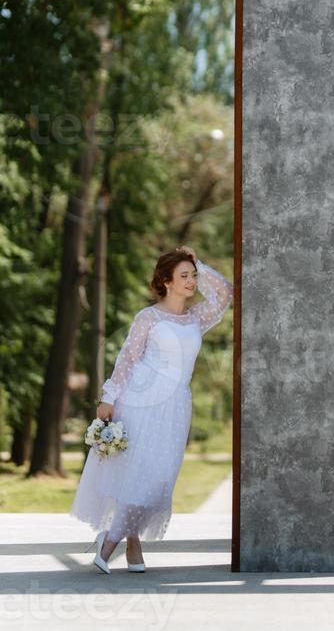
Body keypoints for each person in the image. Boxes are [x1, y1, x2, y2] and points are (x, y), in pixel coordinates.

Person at [70, 244, 233, 574]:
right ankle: (118, 542)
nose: (191, 281)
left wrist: (197, 261)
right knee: (139, 477)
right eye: (184, 275)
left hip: (176, 406)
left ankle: (121, 541)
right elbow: (127, 359)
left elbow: (225, 293)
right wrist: (109, 397)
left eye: (193, 276)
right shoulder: (148, 317)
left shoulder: (195, 319)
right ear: (166, 281)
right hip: (140, 403)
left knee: (160, 480)